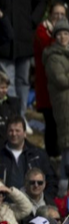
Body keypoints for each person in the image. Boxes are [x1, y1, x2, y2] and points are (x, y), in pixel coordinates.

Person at [34, 3, 68, 158]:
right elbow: (60, 79)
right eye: (56, 13)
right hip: (49, 92)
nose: (59, 16)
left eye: (62, 14)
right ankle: (53, 159)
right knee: (53, 126)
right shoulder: (43, 33)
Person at [44, 19, 69, 176]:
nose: (63, 37)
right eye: (59, 34)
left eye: (66, 33)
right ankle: (64, 184)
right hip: (64, 105)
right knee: (67, 141)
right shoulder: (53, 57)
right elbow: (61, 80)